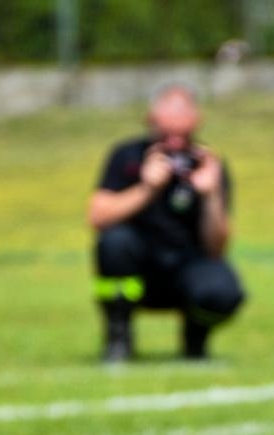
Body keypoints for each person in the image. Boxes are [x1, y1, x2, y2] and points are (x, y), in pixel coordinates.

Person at [87, 82, 244, 363]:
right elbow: (97, 216)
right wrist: (146, 189)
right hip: (139, 272)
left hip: (186, 269)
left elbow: (218, 248)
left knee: (223, 290)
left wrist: (210, 196)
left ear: (196, 122)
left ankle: (195, 340)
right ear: (151, 120)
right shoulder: (127, 157)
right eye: (166, 134)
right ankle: (118, 337)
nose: (174, 143)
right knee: (114, 243)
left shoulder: (208, 164)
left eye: (181, 134)